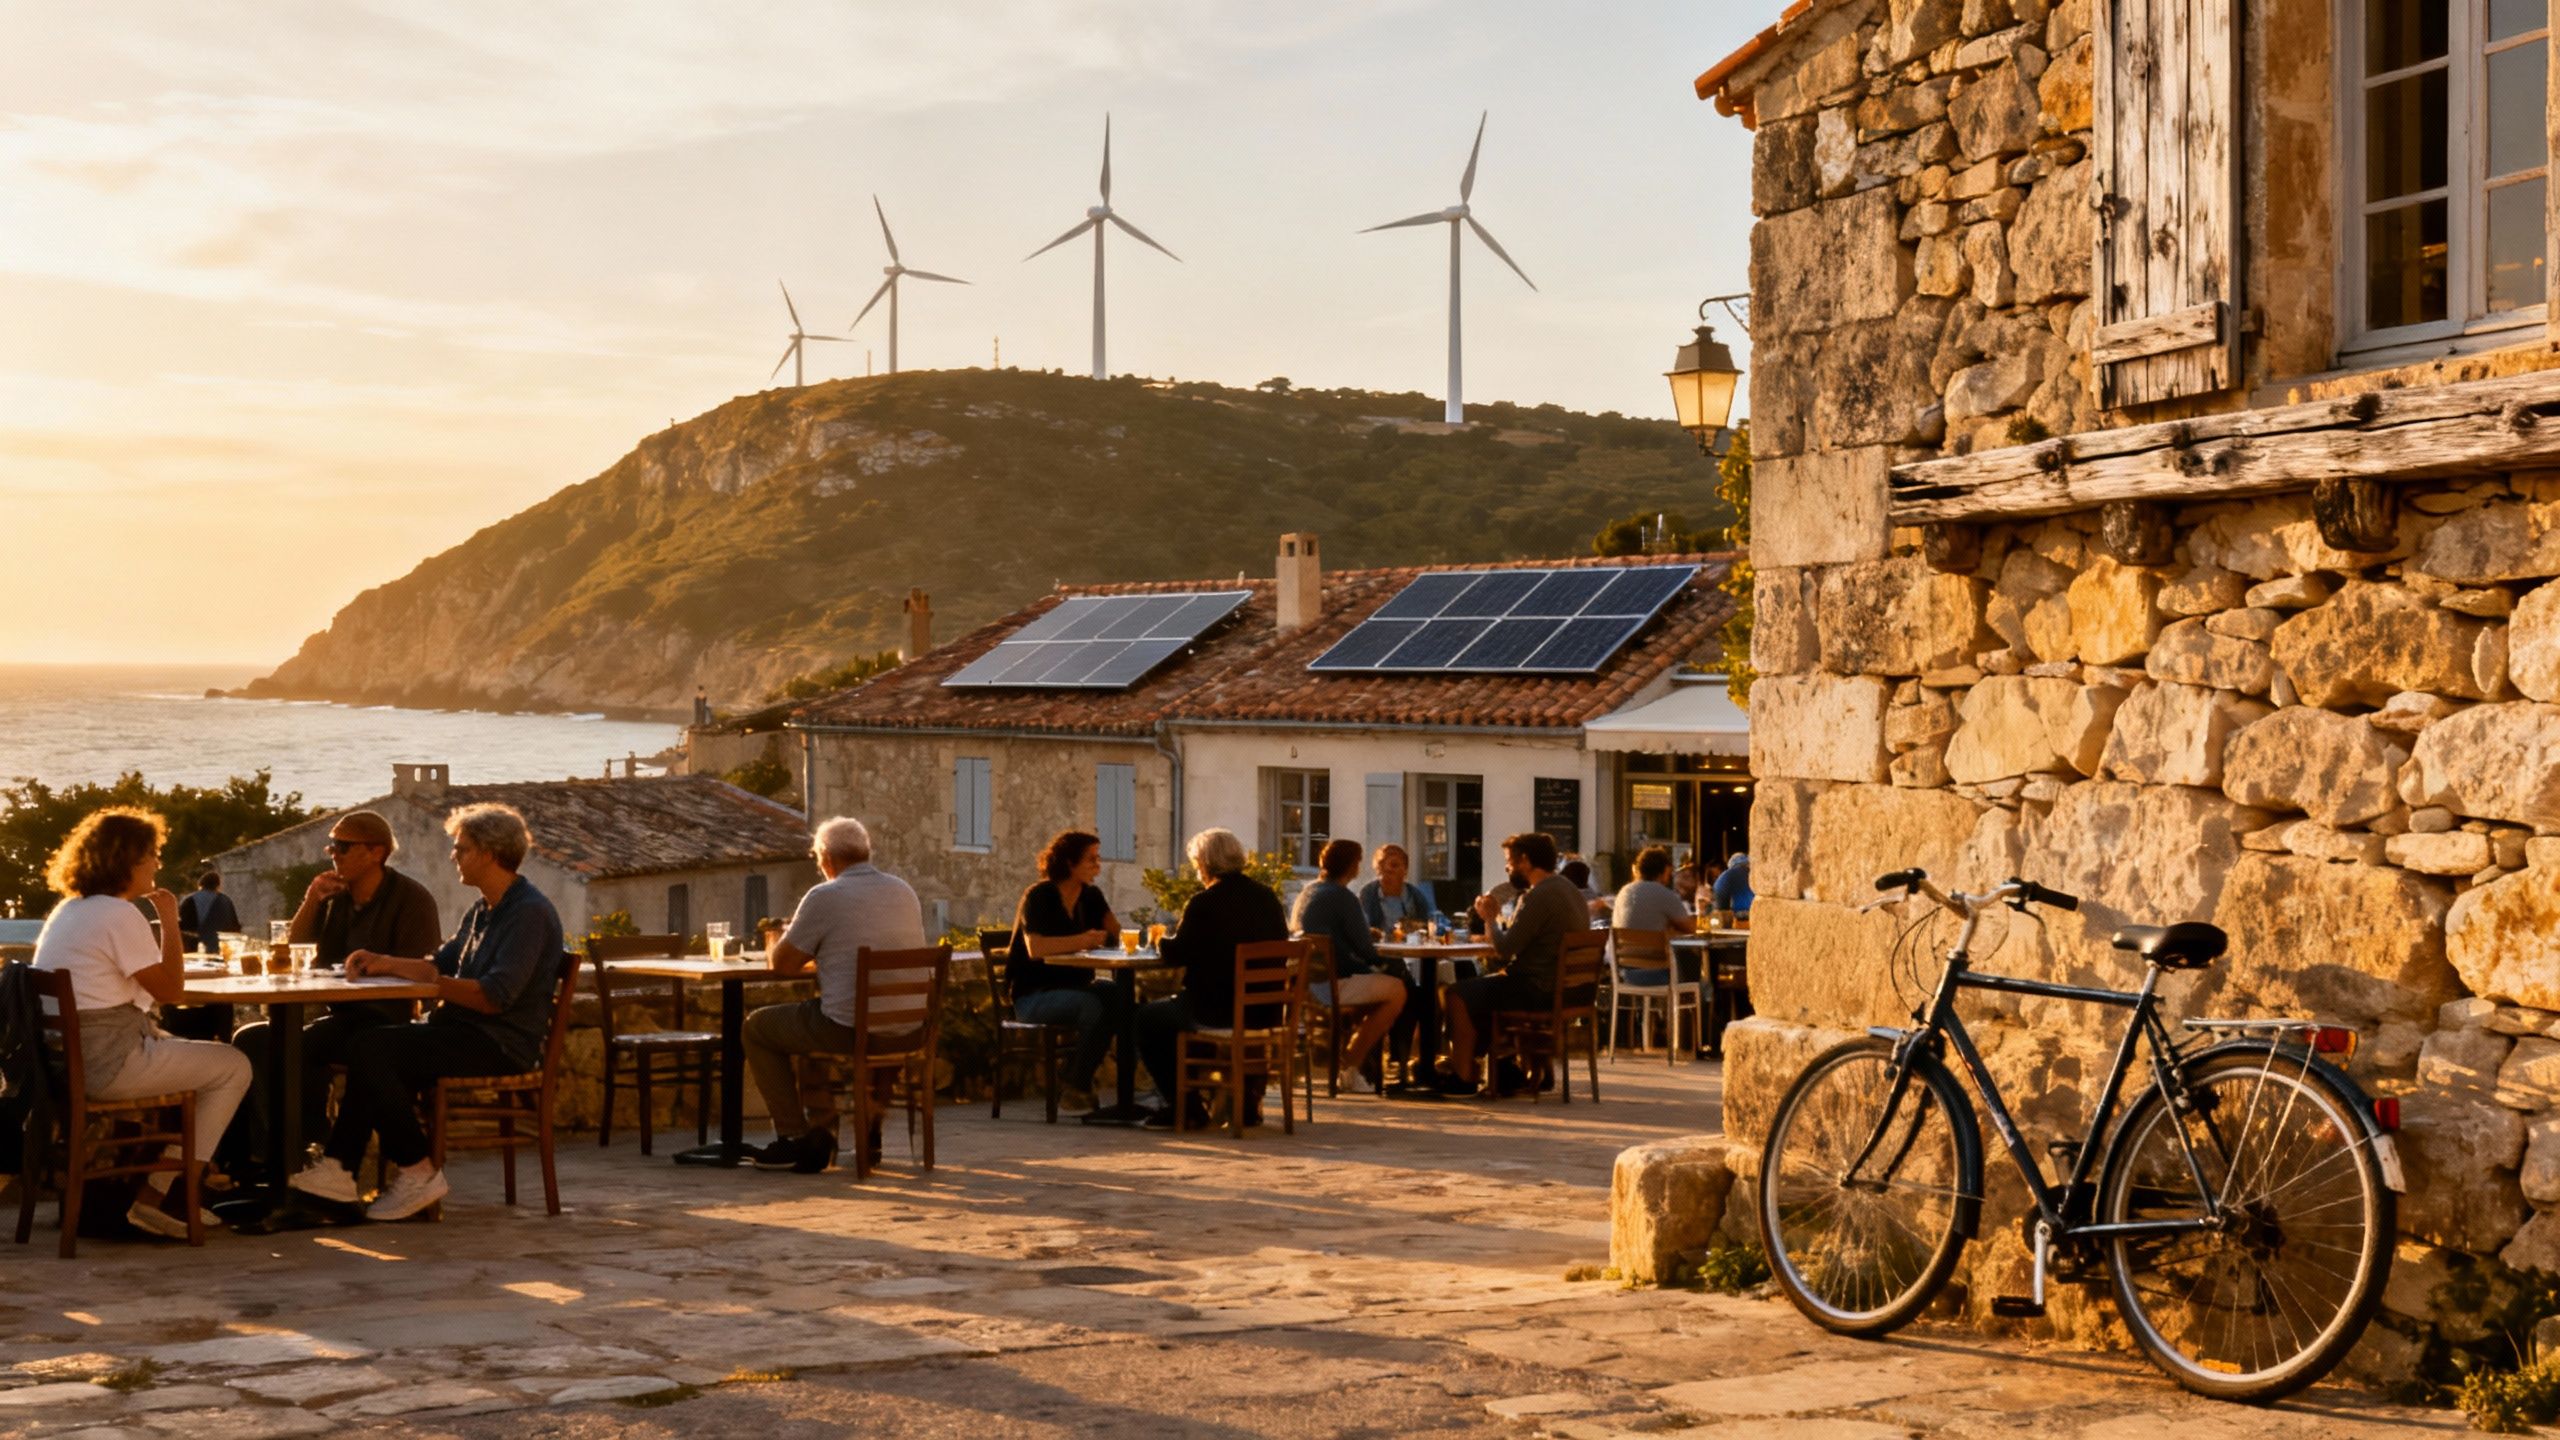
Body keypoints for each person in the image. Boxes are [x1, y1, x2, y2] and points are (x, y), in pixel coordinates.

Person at [287, 803, 566, 1221]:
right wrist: (383, 961)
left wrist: (433, 986)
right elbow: (437, 963)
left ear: (489, 854)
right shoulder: (483, 910)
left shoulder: (528, 913)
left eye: (462, 849)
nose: (454, 855)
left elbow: (494, 997)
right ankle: (339, 1171)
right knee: (368, 1044)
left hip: (498, 1042)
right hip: (461, 1030)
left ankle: (416, 1171)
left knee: (373, 1048)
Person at [32, 807, 250, 1238]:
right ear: (127, 859)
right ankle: (162, 1195)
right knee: (234, 1065)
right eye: (151, 854)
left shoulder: (70, 910)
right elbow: (170, 990)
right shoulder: (118, 913)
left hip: (65, 1064)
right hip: (108, 1063)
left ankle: (162, 1190)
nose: (156, 863)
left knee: (195, 1055)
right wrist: (170, 919)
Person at [229, 810, 442, 1172]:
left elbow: (428, 973)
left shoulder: (411, 899)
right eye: (332, 846)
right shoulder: (338, 900)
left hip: (385, 1023)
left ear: (376, 852)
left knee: (297, 1048)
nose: (334, 854)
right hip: (341, 1018)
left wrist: (381, 963)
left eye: (343, 847)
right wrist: (312, 899)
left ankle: (310, 1152)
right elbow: (296, 951)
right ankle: (263, 1156)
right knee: (251, 1040)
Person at [741, 817, 927, 1174]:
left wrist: (788, 935)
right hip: (910, 1026)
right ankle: (858, 1134)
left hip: (852, 1029)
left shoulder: (824, 895)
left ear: (825, 858)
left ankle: (793, 1137)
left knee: (757, 1029)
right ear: (866, 854)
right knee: (818, 1019)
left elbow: (783, 964)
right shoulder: (903, 890)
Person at [1137, 828, 1288, 1131]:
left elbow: (1178, 953)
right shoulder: (1267, 898)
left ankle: (1186, 1105)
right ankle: (1242, 1101)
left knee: (1147, 1019)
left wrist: (1157, 940)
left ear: (1204, 863)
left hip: (1216, 1010)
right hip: (1265, 1011)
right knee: (1172, 1014)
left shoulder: (1205, 902)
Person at [1441, 831, 1586, 1096]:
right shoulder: (1569, 890)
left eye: (1510, 861)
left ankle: (1463, 1076)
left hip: (1537, 988)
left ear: (1525, 861)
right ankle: (1508, 1070)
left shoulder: (1538, 896)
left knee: (1457, 994)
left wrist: (1489, 918)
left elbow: (1506, 950)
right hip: (1567, 989)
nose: (1507, 868)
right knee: (1491, 985)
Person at [1005, 830, 1130, 1114]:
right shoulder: (1039, 896)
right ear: (1070, 863)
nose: (1098, 866)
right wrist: (1084, 940)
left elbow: (1119, 936)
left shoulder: (1091, 896)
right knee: (1091, 1005)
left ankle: (1109, 1087)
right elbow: (1036, 947)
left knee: (1121, 996)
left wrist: (1118, 936)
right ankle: (1076, 1085)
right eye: (1091, 860)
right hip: (1033, 997)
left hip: (1075, 988)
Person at [1288, 839, 1410, 1094]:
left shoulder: (1308, 891)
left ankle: (1362, 1064)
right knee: (1399, 990)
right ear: (1352, 866)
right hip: (1332, 983)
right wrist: (1385, 960)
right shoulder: (1343, 897)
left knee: (1384, 990)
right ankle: (1351, 1066)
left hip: (1306, 983)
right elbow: (1365, 950)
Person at [1610, 846, 1696, 990]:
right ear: (1663, 872)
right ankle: (1697, 1007)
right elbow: (1690, 929)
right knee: (1692, 962)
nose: (1669, 878)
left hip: (1627, 973)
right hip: (1658, 974)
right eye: (1668, 874)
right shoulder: (1664, 894)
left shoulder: (1623, 892)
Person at [1357, 844, 1437, 933]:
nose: (1387, 870)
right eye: (1381, 865)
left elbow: (1431, 924)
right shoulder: (1368, 894)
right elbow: (1361, 929)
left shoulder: (1415, 896)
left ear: (1405, 869)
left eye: (1394, 865)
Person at [176, 872, 239, 956]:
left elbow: (181, 926)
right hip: (220, 948)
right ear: (218, 886)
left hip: (194, 949)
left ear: (200, 885)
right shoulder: (225, 900)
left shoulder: (189, 900)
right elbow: (234, 926)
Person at [1711, 852, 1755, 917]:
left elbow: (1720, 907)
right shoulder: (1756, 874)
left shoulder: (1724, 877)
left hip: (1735, 919)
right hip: (1757, 916)